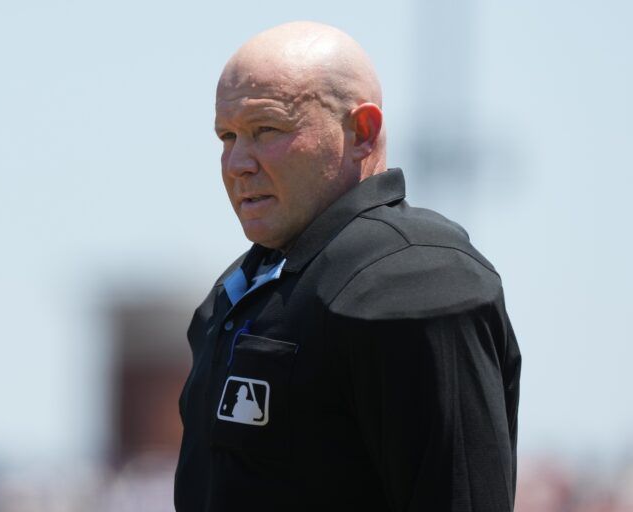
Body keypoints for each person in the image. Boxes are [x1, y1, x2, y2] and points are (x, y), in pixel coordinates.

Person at [174, 21, 521, 512]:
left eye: (265, 129)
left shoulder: (414, 277)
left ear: (363, 132)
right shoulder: (243, 287)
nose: (237, 163)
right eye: (227, 136)